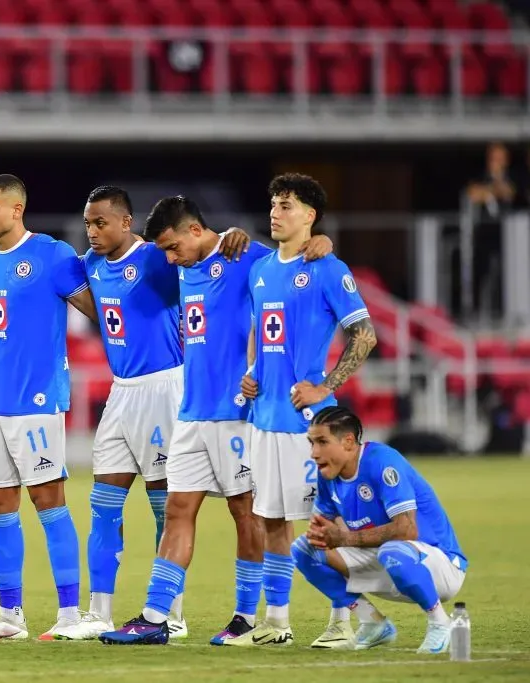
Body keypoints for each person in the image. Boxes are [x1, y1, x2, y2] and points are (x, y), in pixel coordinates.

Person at [99, 196, 331, 646]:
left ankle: (247, 617)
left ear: (194, 231)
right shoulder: (184, 267)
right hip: (191, 412)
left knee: (246, 514)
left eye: (172, 247)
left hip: (236, 415)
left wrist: (320, 241)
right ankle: (154, 617)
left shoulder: (242, 253)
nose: (169, 259)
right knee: (177, 510)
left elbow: (295, 261)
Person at [65, 186, 245, 640]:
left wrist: (231, 236)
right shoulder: (90, 266)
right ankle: (99, 613)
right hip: (121, 391)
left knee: (168, 504)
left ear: (126, 222)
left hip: (165, 387)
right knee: (103, 504)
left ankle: (172, 614)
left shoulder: (157, 259)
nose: (92, 231)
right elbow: (100, 307)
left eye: (100, 222)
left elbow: (207, 257)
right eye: (87, 223)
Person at [226, 173, 377, 647]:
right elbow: (260, 328)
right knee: (270, 520)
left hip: (310, 426)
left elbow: (365, 334)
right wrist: (252, 371)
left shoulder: (328, 267)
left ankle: (346, 622)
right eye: (273, 204)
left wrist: (324, 386)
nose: (275, 212)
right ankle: (277, 622)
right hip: (265, 418)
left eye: (287, 205)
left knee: (326, 525)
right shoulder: (261, 269)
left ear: (310, 216)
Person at [0, 174, 98, 641]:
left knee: (48, 500)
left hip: (36, 402)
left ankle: (70, 615)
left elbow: (97, 308)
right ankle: (10, 615)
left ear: (16, 210)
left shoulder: (52, 255)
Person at [293, 406, 467, 654]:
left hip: (438, 565)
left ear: (349, 442)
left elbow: (407, 530)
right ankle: (372, 622)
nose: (314, 453)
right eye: (311, 443)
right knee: (303, 549)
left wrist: (343, 537)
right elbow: (323, 529)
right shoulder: (327, 474)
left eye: (322, 442)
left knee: (392, 550)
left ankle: (440, 621)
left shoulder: (382, 463)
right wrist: (322, 534)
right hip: (387, 561)